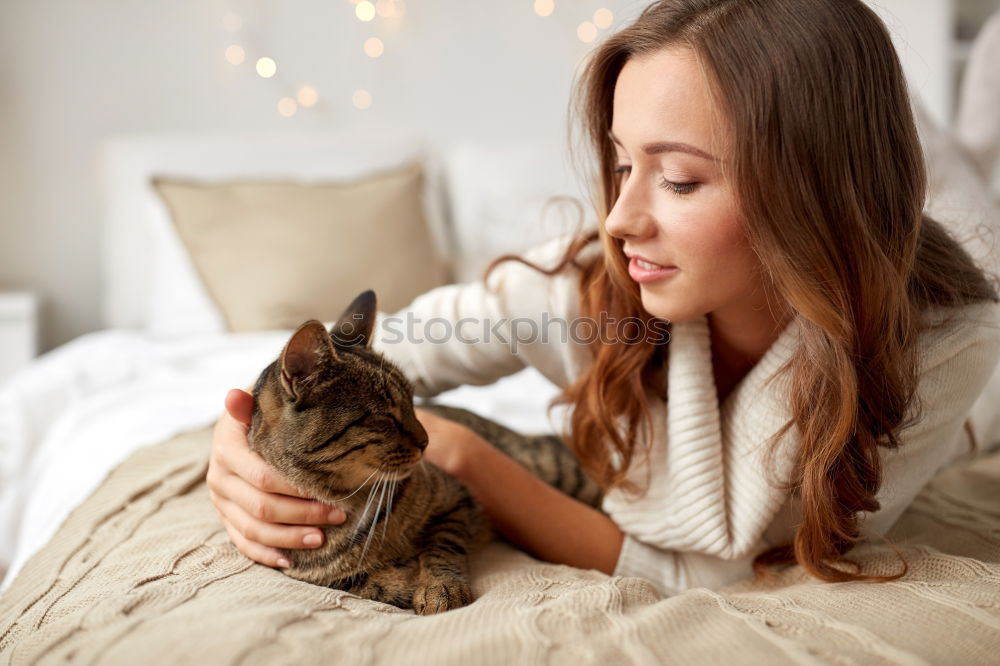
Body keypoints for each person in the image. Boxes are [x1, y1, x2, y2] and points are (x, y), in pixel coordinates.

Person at [207, 0, 1000, 596]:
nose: (620, 219)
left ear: (813, 191)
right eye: (622, 165)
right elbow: (364, 361)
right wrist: (236, 440)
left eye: (680, 178)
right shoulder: (582, 285)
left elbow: (722, 577)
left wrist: (470, 458)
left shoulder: (942, 346)